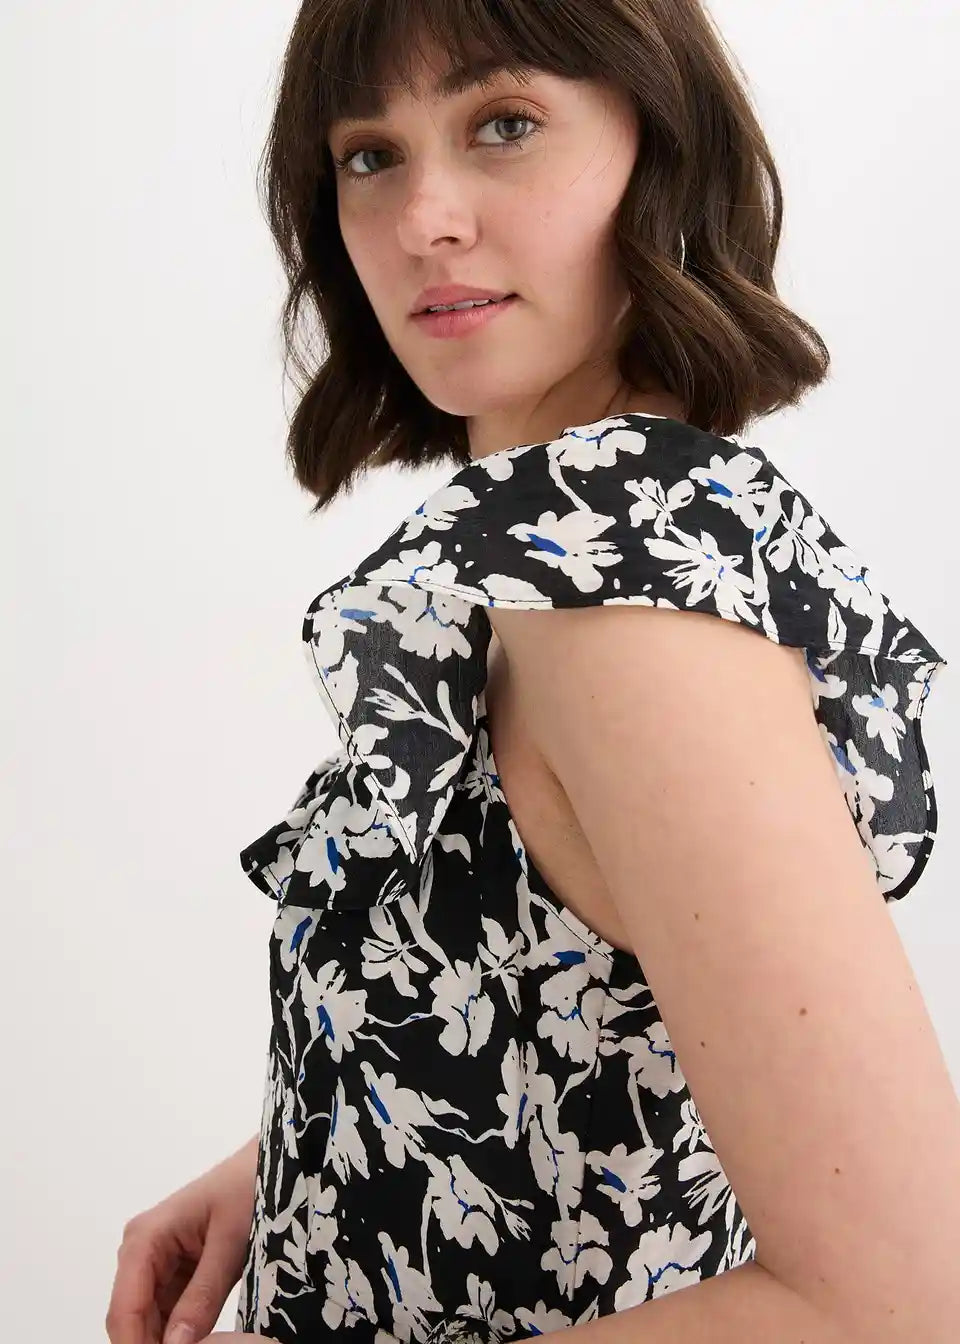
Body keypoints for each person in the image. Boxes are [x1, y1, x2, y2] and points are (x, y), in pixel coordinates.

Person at [106, 3, 959, 1343]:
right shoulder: (562, 551)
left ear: (662, 145)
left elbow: (893, 1305)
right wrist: (323, 1152)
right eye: (369, 154)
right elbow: (584, 1020)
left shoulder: (619, 604)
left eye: (504, 124)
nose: (423, 220)